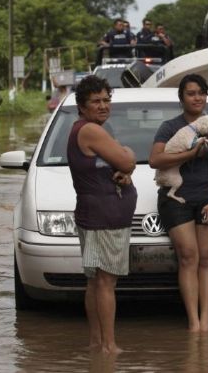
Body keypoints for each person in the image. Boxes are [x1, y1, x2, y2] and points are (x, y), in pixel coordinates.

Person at [148, 74, 208, 332]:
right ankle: (193, 323)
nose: (197, 98)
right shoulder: (170, 127)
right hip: (177, 200)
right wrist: (191, 153)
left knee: (206, 258)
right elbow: (155, 161)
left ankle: (206, 321)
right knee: (188, 257)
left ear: (206, 96)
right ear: (181, 98)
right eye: (191, 93)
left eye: (201, 93)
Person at [67, 75, 137, 354]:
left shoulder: (83, 129)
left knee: (95, 281)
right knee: (106, 282)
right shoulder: (91, 131)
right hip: (104, 216)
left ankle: (97, 343)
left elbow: (115, 163)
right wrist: (128, 155)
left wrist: (122, 167)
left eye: (107, 100)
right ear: (82, 106)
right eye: (95, 101)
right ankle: (109, 347)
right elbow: (127, 160)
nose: (103, 105)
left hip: (96, 213)